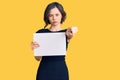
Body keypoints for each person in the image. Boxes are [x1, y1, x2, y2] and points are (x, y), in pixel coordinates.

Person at [31, 2, 78, 80]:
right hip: (44, 70)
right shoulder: (41, 33)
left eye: (57, 15)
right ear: (47, 17)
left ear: (61, 15)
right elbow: (38, 58)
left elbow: (75, 29)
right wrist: (34, 49)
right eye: (51, 15)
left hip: (60, 71)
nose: (54, 18)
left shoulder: (66, 33)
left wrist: (71, 30)